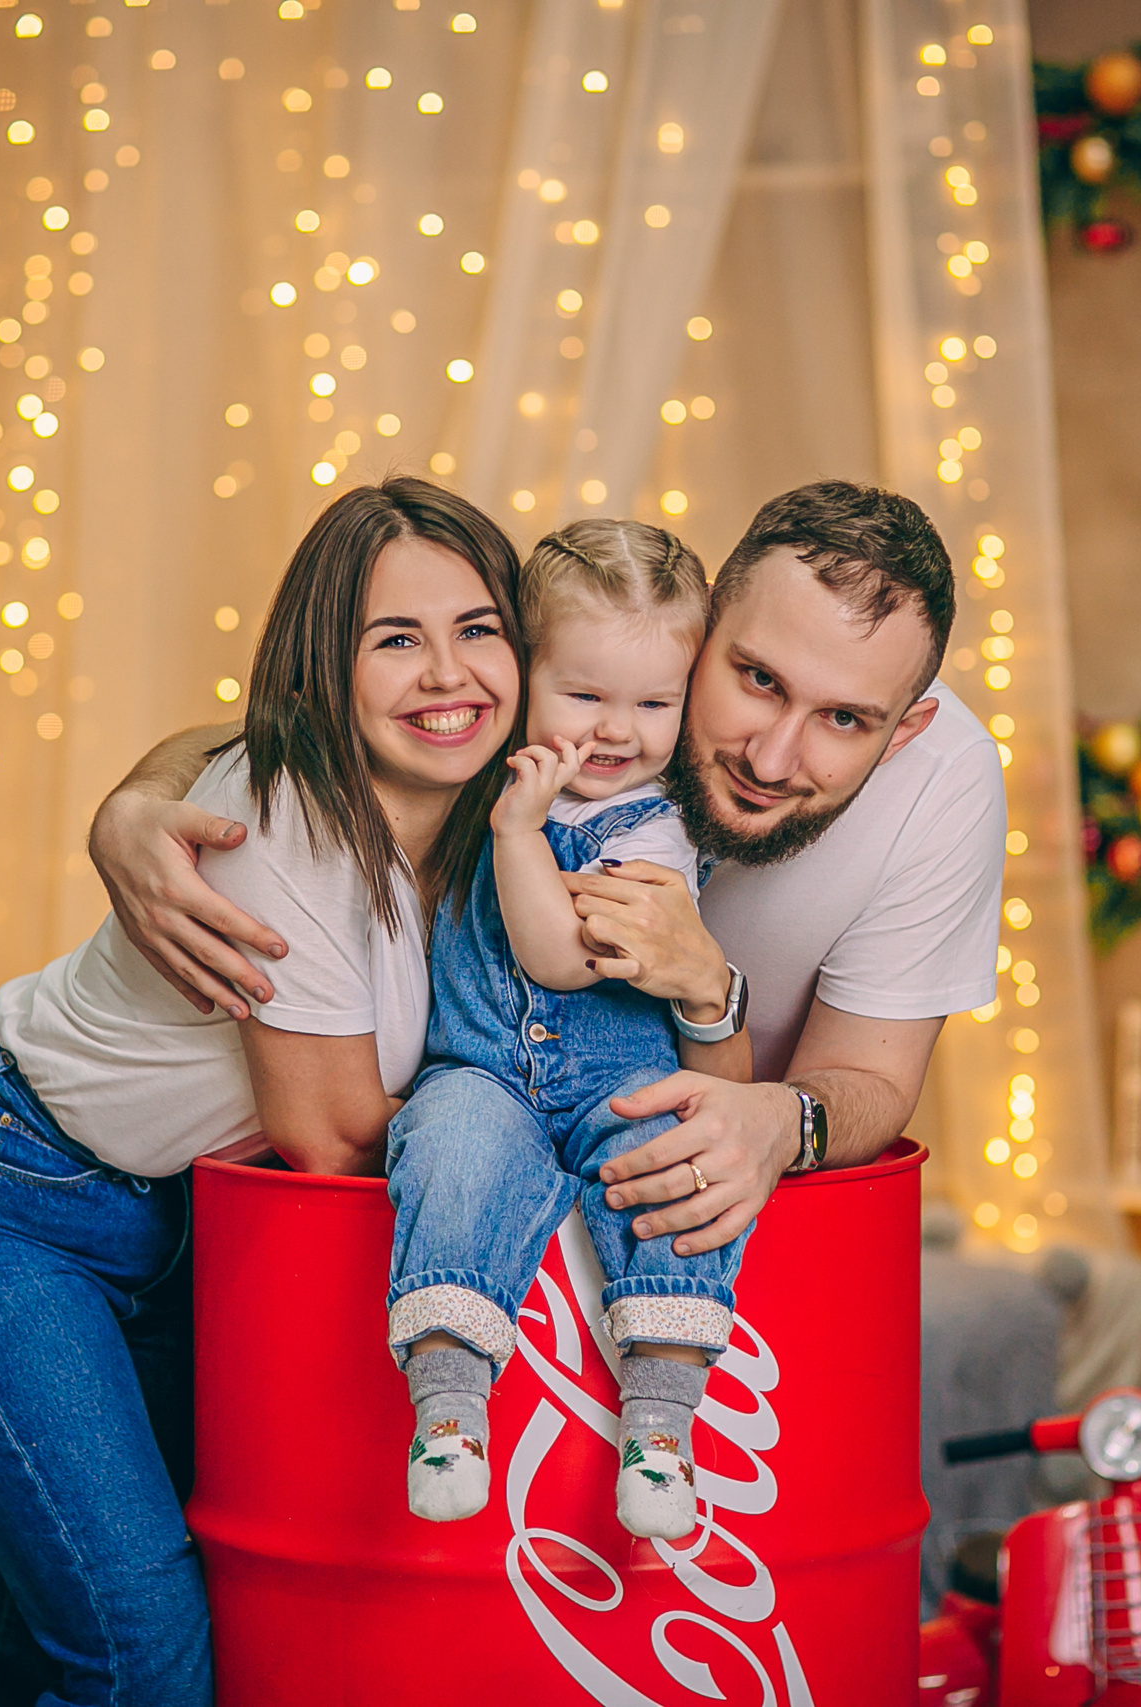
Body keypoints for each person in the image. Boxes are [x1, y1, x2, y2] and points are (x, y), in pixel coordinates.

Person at [0, 478, 524, 1707]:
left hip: (187, 1226)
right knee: (140, 1649)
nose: (449, 674)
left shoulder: (498, 817)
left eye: (477, 628)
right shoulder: (287, 819)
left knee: (44, 1636)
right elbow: (332, 1136)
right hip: (7, 1199)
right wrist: (537, 1144)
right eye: (395, 639)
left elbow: (208, 738)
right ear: (324, 670)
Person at [91, 479, 1005, 1264]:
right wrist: (131, 805)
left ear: (904, 730)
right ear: (702, 630)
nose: (770, 758)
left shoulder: (945, 781)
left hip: (654, 1182)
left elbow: (869, 1078)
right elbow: (304, 728)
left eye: (844, 719)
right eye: (757, 679)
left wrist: (780, 1117)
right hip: (293, 1175)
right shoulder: (568, 707)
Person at [388, 519, 750, 1543]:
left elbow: (560, 957)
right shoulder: (481, 769)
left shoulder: (655, 828)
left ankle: (660, 1429)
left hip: (615, 1080)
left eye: (654, 703)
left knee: (672, 1174)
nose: (617, 731)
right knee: (448, 1146)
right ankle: (448, 1413)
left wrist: (516, 831)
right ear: (524, 676)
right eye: (584, 695)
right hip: (482, 1072)